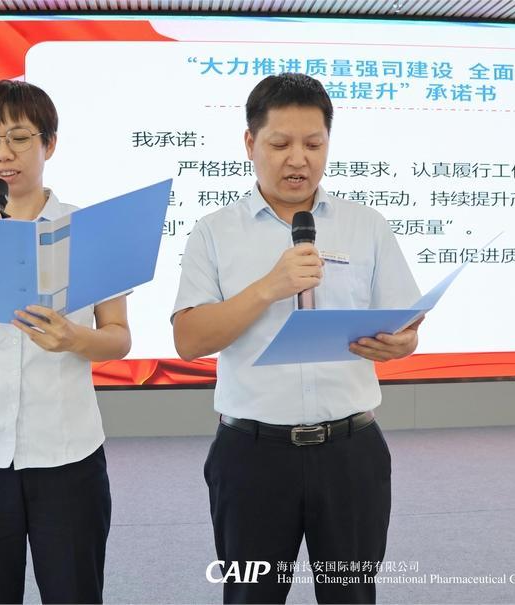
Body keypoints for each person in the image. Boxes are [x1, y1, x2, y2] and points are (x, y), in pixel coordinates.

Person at [172, 73, 422, 604]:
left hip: (351, 452)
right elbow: (189, 340)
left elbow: (405, 325)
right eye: (280, 144)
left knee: (352, 596)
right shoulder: (214, 232)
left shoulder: (366, 225)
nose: (298, 160)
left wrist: (402, 344)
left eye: (313, 144)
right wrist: (269, 287)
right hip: (252, 455)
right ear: (250, 143)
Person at [0, 80, 131, 605]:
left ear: (49, 144)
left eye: (18, 138)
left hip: (67, 453)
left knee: (75, 592)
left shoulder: (90, 230)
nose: (3, 154)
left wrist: (74, 338)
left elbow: (119, 338)